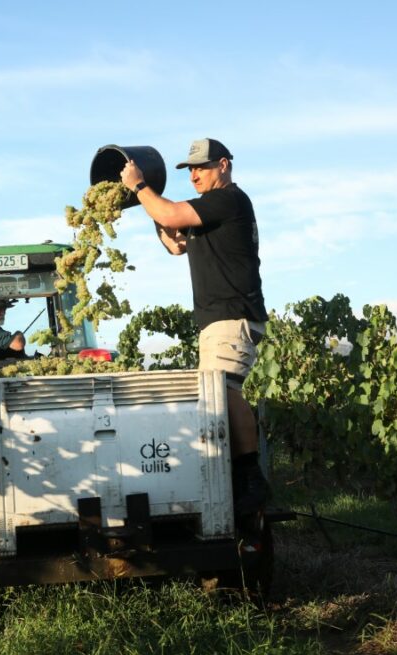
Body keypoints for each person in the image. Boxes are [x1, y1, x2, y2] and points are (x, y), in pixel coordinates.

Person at [120, 137, 271, 533]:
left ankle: (250, 478)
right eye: (189, 170)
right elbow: (175, 242)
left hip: (231, 317)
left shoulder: (230, 200)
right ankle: (238, 478)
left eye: (200, 168)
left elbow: (172, 216)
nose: (194, 175)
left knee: (224, 390)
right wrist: (153, 211)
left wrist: (140, 187)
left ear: (223, 165)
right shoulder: (209, 211)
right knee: (218, 393)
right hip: (217, 320)